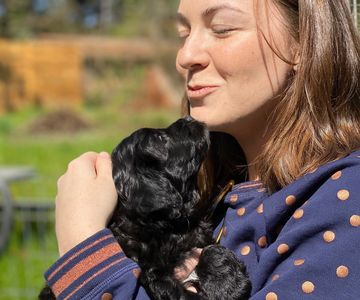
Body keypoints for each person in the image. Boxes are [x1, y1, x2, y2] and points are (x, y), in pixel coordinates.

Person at [44, 0, 360, 299]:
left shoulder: (346, 201)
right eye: (183, 34)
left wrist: (82, 245)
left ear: (303, 42)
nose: (185, 56)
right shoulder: (213, 196)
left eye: (222, 28)